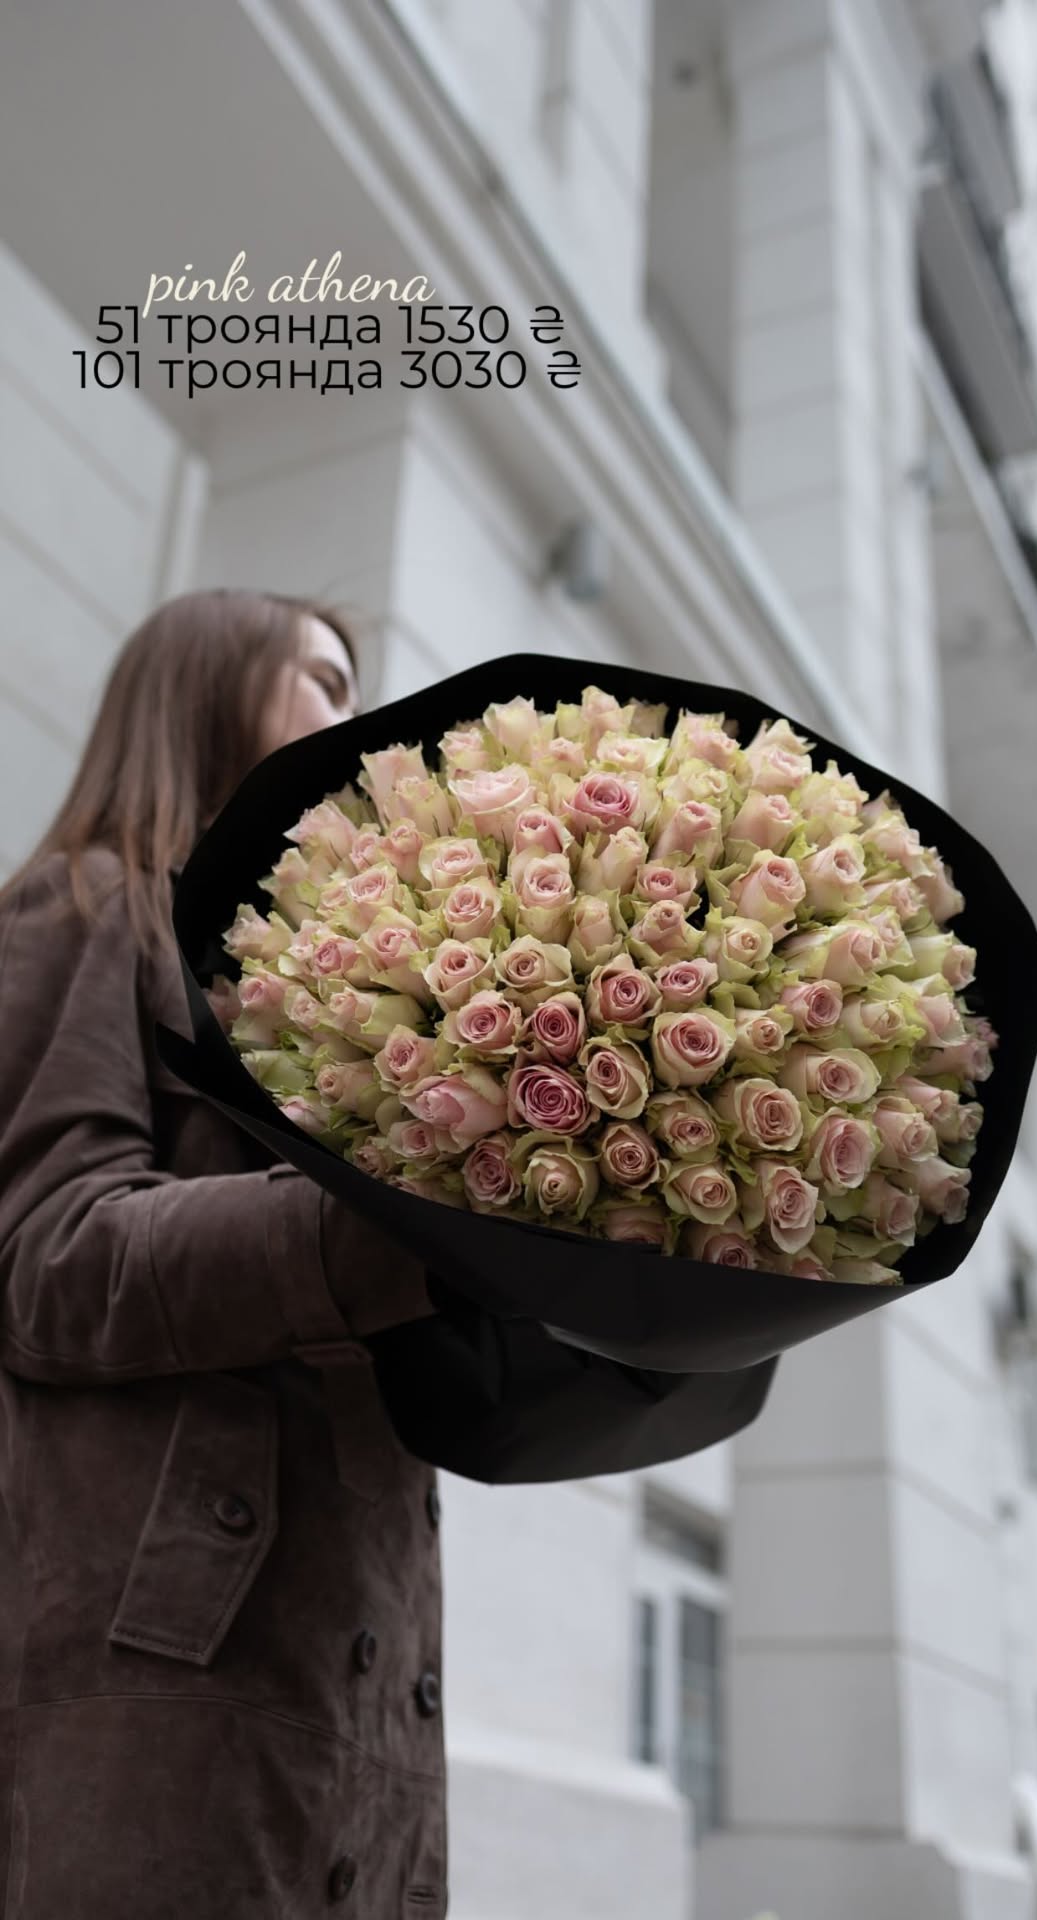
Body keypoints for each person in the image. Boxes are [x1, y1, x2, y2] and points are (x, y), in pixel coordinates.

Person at [0, 586, 779, 1918]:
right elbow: (50, 1260)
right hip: (167, 1694)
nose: (352, 719)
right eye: (322, 678)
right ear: (199, 693)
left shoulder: (336, 993)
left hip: (364, 1690)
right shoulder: (94, 905)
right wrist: (405, 1221)